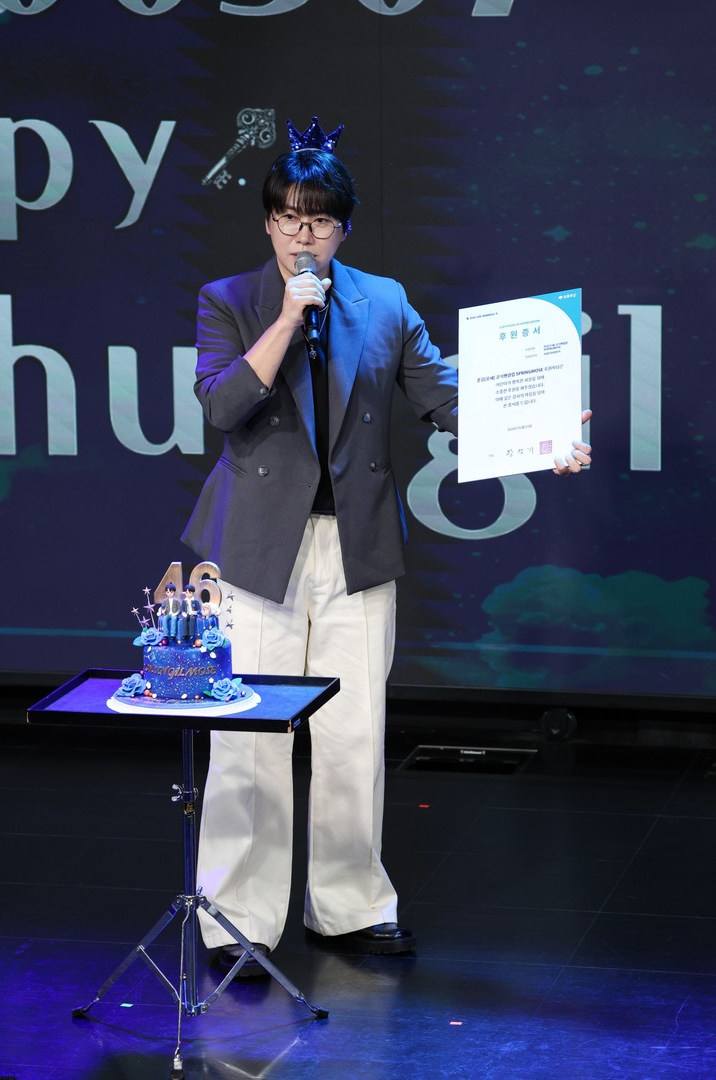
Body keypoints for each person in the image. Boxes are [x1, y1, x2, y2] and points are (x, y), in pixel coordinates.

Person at [182, 116, 592, 974]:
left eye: (319, 221)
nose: (303, 236)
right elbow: (222, 406)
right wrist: (287, 319)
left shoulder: (386, 302)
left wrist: (541, 437)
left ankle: (350, 906)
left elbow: (445, 398)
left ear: (345, 228)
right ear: (267, 222)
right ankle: (236, 920)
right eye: (288, 219)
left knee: (353, 731)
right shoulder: (230, 300)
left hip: (357, 544)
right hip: (255, 548)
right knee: (249, 736)